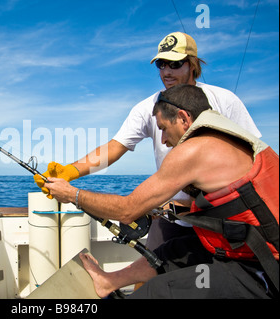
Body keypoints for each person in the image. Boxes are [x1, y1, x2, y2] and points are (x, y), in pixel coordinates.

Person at [43, 84, 279, 299]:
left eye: (164, 129)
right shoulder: (229, 138)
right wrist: (165, 208)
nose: (163, 140)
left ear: (184, 118)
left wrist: (72, 194)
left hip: (263, 269)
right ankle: (108, 281)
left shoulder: (194, 149)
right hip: (244, 249)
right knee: (172, 252)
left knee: (158, 291)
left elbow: (126, 211)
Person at [34, 31, 262, 251]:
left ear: (192, 64)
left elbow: (256, 154)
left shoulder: (225, 101)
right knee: (151, 277)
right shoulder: (147, 107)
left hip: (222, 214)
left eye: (175, 64)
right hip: (172, 215)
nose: (166, 72)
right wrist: (70, 171)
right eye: (161, 64)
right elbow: (114, 148)